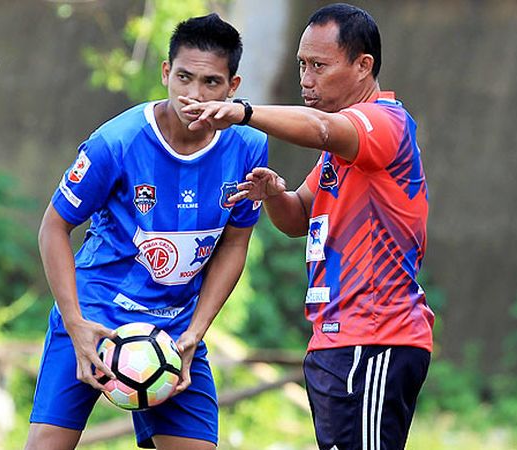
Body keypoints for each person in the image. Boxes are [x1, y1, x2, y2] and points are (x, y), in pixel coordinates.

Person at [180, 4, 434, 450]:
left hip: (375, 339)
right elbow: (298, 217)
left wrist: (242, 111)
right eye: (302, 64)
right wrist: (274, 194)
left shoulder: (382, 124)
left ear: (363, 66)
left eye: (319, 65)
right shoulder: (340, 152)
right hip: (335, 341)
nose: (306, 78)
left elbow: (320, 128)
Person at [25, 14, 268, 450]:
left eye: (211, 83)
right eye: (184, 78)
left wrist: (196, 332)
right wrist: (75, 322)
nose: (194, 95)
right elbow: (53, 228)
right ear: (165, 73)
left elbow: (236, 240)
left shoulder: (249, 146)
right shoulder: (115, 142)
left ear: (233, 87)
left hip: (173, 332)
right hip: (95, 315)